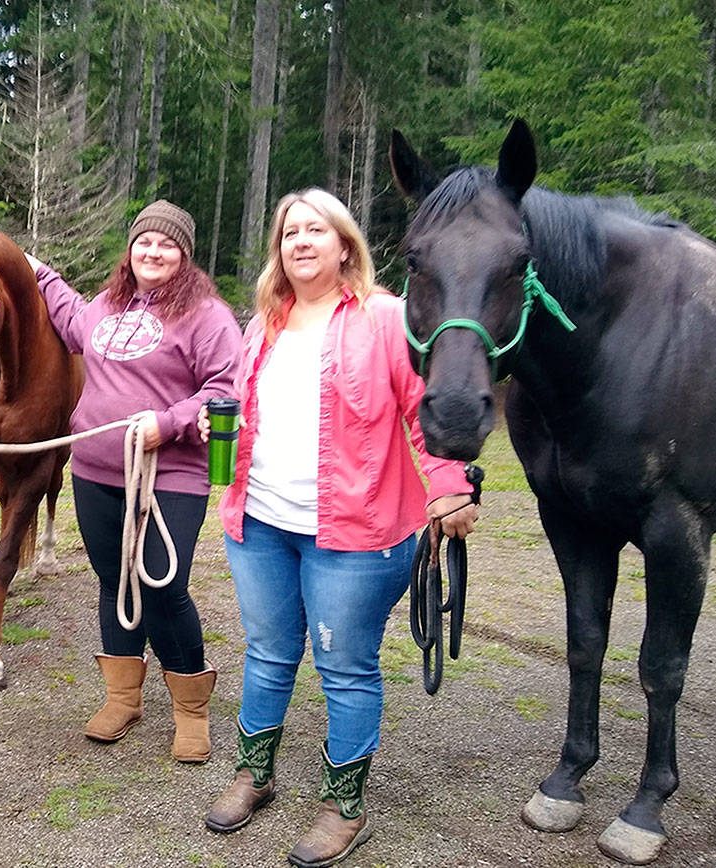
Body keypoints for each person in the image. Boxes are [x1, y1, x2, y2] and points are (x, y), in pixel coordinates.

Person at [199, 189, 478, 867]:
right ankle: (253, 774)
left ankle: (343, 805)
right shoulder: (263, 320)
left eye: (315, 230)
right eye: (289, 231)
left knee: (345, 668)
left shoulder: (385, 318)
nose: (300, 241)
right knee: (266, 652)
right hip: (259, 521)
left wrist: (450, 487)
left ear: (344, 243)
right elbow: (238, 403)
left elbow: (423, 409)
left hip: (355, 533)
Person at [27, 200, 242, 763]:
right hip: (96, 470)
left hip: (169, 473)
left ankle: (191, 711)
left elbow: (225, 389)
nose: (153, 251)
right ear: (130, 249)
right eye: (144, 241)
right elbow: (69, 317)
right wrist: (36, 270)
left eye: (167, 244)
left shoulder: (207, 315)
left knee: (162, 588)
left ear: (185, 255)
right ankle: (123, 698)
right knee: (112, 579)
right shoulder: (106, 304)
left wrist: (167, 423)